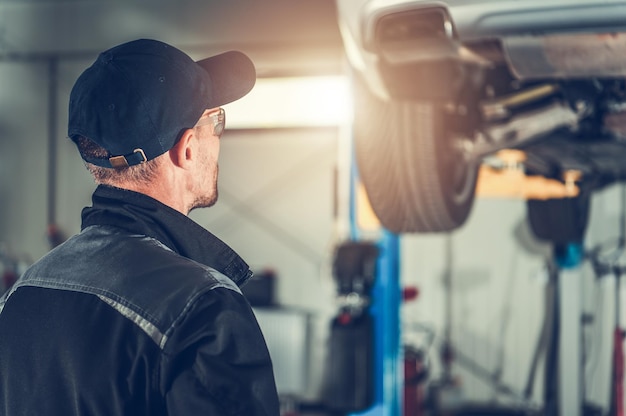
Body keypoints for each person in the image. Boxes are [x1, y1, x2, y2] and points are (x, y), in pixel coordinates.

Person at [0, 39, 279, 416]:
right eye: (216, 121)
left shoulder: (20, 296)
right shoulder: (202, 309)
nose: (218, 138)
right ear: (188, 148)